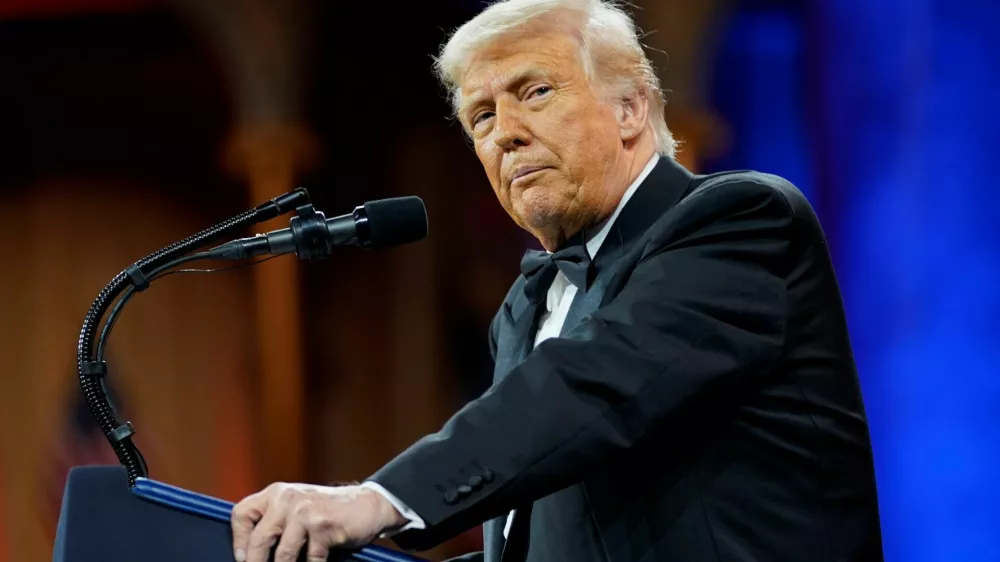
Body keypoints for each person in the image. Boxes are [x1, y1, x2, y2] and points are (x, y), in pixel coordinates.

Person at [230, 0, 884, 560]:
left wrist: (379, 500)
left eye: (535, 92)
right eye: (481, 117)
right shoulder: (527, 307)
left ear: (630, 109)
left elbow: (594, 383)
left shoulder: (740, 222)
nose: (505, 135)